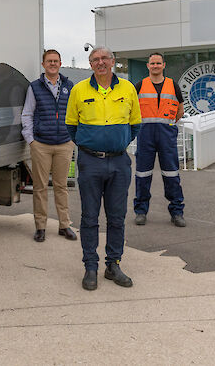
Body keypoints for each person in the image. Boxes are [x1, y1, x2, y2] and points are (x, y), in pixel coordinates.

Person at [65, 46, 141, 290]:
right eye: (95, 59)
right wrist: (93, 146)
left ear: (113, 62)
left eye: (104, 59)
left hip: (119, 162)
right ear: (90, 64)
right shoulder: (78, 90)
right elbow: (71, 127)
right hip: (90, 162)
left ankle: (113, 264)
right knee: (89, 217)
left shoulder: (128, 89)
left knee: (117, 217)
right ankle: (90, 266)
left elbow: (135, 124)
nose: (100, 63)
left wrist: (116, 144)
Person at [21, 49, 76, 242]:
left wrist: (73, 138)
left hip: (64, 144)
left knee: (61, 187)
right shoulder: (35, 87)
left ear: (60, 63)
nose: (52, 64)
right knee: (40, 187)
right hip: (41, 145)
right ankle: (40, 227)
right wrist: (31, 141)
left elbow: (76, 114)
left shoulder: (69, 86)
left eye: (56, 61)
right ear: (43, 64)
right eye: (49, 61)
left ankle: (64, 225)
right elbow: (27, 113)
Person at [133, 52, 186, 227]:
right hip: (145, 135)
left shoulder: (173, 85)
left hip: (167, 136)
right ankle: (141, 211)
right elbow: (132, 110)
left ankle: (177, 212)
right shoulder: (139, 85)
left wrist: (167, 125)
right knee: (142, 174)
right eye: (152, 63)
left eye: (158, 63)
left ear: (164, 65)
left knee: (172, 175)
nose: (155, 66)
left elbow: (180, 110)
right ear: (148, 66)